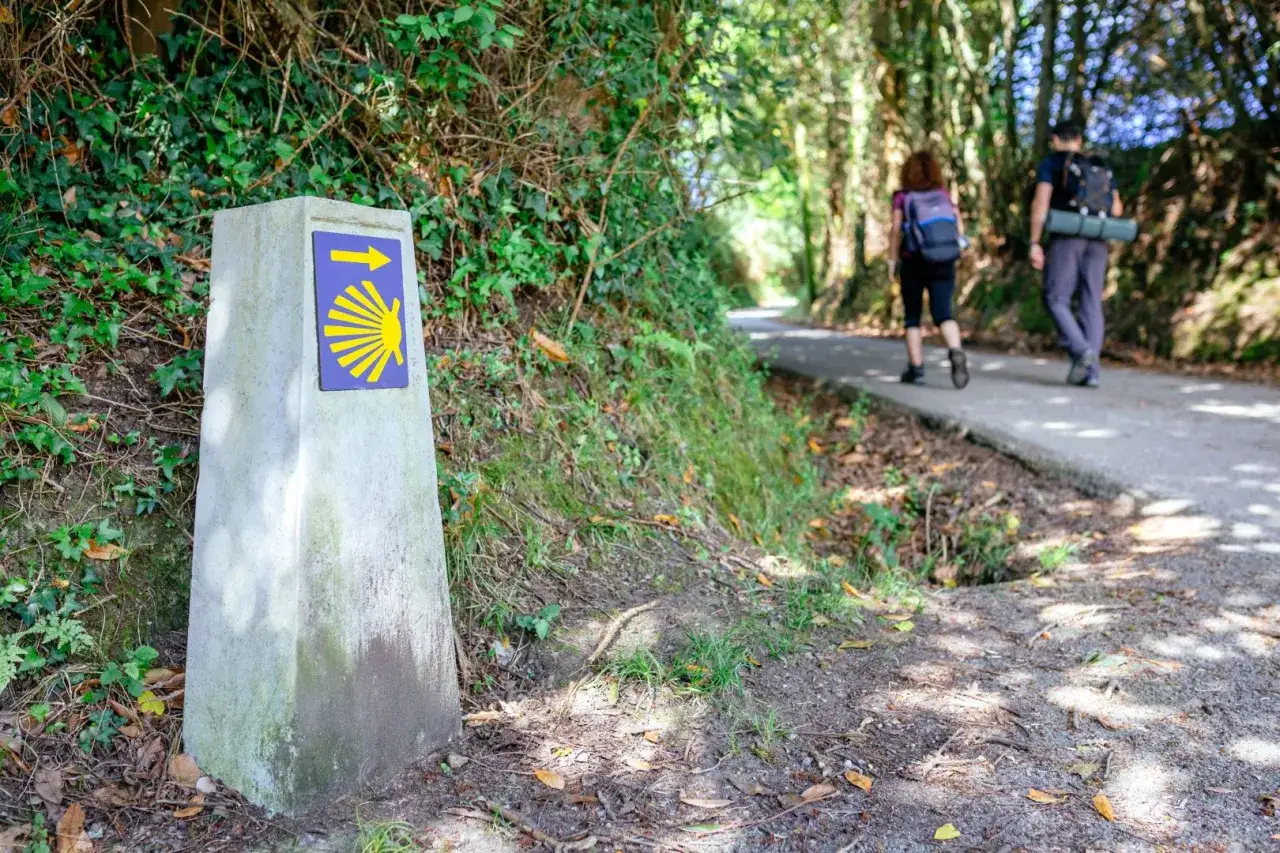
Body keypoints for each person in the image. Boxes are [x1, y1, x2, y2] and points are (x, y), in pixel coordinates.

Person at [1029, 120, 1123, 387]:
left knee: (1056, 298)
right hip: (1098, 238)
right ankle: (1091, 373)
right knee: (1091, 302)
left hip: (1066, 237)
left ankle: (1082, 353)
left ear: (1055, 139)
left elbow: (1041, 204)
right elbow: (1116, 209)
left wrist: (1034, 242)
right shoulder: (1101, 164)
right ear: (1080, 139)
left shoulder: (1053, 163)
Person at [888, 151, 969, 389]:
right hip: (944, 258)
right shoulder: (943, 194)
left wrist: (892, 261)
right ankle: (956, 351)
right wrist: (959, 248)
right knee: (944, 313)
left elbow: (895, 229)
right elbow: (958, 224)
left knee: (912, 316)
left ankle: (917, 370)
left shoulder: (902, 196)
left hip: (913, 259)